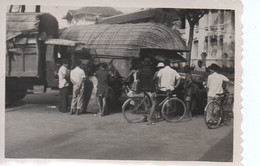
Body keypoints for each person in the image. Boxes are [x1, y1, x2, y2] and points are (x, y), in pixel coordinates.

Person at [137, 59, 155, 124]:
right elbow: (151, 82)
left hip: (141, 89)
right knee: (154, 104)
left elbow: (138, 80)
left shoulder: (139, 71)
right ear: (149, 65)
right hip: (148, 90)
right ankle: (150, 119)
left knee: (145, 105)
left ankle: (145, 117)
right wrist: (153, 91)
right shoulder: (149, 71)